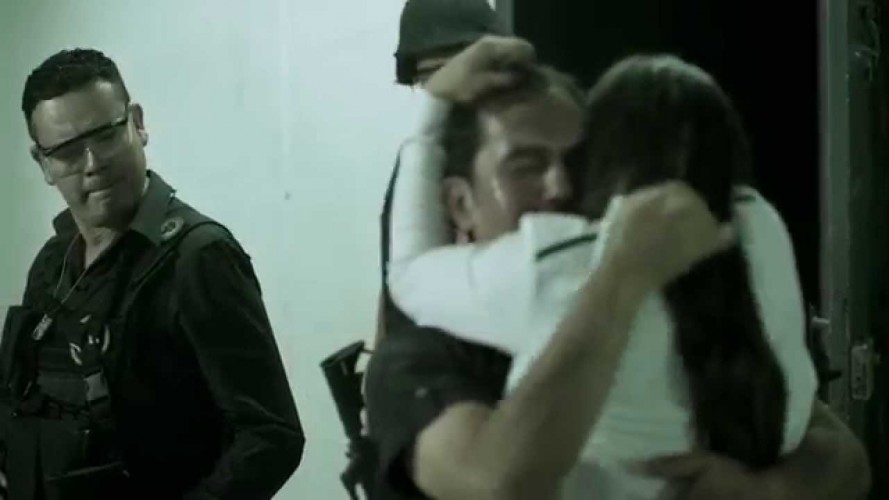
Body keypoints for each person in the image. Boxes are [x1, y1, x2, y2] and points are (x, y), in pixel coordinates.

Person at [365, 36, 872, 500]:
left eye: (581, 162)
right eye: (526, 165)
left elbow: (844, 458)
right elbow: (496, 484)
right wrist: (618, 278)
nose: (562, 187)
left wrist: (767, 490)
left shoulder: (690, 280)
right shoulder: (421, 359)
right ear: (459, 204)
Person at [0, 49, 304, 500]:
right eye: (66, 151)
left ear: (137, 124)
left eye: (105, 135)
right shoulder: (53, 262)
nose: (92, 163)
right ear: (43, 163)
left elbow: (271, 436)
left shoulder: (198, 257)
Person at [375, 0, 510, 346]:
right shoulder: (419, 162)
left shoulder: (521, 156)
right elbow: (396, 283)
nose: (449, 89)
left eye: (458, 69)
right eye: (431, 78)